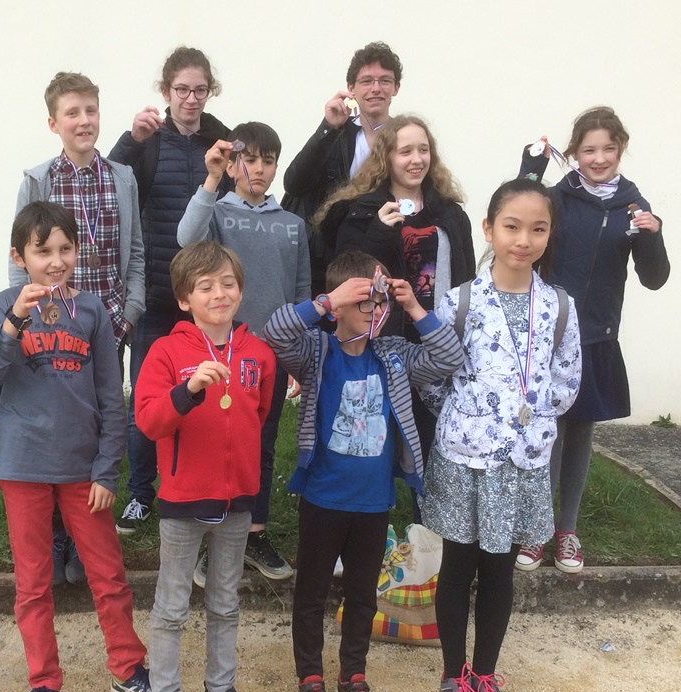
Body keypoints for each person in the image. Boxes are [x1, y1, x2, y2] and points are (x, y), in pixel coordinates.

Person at [263, 251, 463, 692]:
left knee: (362, 595)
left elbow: (449, 358)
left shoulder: (393, 355)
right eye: (364, 302)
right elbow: (275, 333)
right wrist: (325, 301)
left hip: (373, 503)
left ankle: (352, 675)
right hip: (322, 499)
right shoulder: (317, 351)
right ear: (340, 306)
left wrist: (414, 307)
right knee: (311, 593)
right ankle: (310, 676)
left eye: (380, 302)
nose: (376, 311)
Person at [0, 201, 149, 692]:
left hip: (82, 469)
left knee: (108, 573)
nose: (55, 261)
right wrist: (14, 321)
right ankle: (44, 683)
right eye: (42, 251)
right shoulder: (4, 305)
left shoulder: (92, 311)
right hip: (24, 465)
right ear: (19, 257)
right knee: (33, 583)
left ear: (78, 252)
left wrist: (106, 470)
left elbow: (111, 396)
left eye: (65, 249)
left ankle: (127, 668)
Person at [419, 178, 582, 692]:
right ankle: (453, 674)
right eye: (512, 226)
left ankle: (485, 673)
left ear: (549, 235)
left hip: (523, 462)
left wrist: (528, 419)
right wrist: (471, 419)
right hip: (467, 459)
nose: (523, 240)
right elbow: (434, 378)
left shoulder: (560, 307)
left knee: (500, 571)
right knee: (458, 566)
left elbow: (567, 381)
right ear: (489, 229)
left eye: (538, 229)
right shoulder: (459, 302)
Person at [516, 107, 670, 574]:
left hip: (596, 336)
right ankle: (535, 530)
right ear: (574, 153)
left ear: (621, 149)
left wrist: (653, 236)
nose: (599, 158)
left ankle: (567, 530)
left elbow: (654, 278)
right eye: (589, 150)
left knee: (580, 430)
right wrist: (531, 166)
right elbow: (517, 211)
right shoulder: (557, 197)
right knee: (547, 431)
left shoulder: (633, 205)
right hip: (548, 332)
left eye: (609, 148)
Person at [135, 241, 274, 692]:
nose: (219, 294)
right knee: (172, 605)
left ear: (241, 290)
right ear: (184, 300)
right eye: (205, 286)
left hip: (237, 499)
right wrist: (188, 391)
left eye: (228, 283)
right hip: (184, 498)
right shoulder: (166, 352)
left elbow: (259, 417)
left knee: (225, 602)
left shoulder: (258, 353)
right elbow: (149, 421)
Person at [13, 70, 146, 586]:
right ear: (54, 123)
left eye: (91, 110)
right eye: (72, 113)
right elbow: (20, 255)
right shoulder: (37, 180)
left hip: (107, 323)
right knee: (59, 423)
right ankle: (58, 533)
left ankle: (87, 525)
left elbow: (135, 253)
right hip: (52, 329)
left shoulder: (122, 178)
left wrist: (128, 313)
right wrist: (24, 318)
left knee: (100, 418)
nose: (84, 120)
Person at [317, 115, 475, 520]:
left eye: (423, 150)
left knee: (432, 438)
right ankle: (369, 522)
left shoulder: (450, 214)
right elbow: (347, 274)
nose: (416, 159)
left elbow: (466, 279)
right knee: (378, 436)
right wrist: (380, 232)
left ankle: (430, 526)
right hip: (382, 345)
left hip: (434, 340)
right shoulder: (359, 211)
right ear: (386, 157)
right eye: (405, 151)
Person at [177, 121, 310, 583]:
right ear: (234, 164)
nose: (258, 169)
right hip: (220, 354)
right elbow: (186, 240)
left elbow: (300, 293)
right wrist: (211, 179)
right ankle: (212, 537)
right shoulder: (216, 213)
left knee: (261, 444)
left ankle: (253, 532)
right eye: (248, 159)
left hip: (271, 357)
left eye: (267, 161)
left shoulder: (292, 225)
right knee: (218, 441)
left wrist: (298, 357)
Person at [109, 46, 231, 537]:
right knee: (148, 397)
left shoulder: (222, 139)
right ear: (166, 91)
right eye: (182, 89)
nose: (191, 98)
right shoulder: (149, 139)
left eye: (200, 90)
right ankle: (141, 493)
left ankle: (205, 488)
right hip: (159, 291)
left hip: (207, 297)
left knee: (209, 395)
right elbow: (109, 183)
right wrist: (131, 140)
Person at [281, 41, 403, 296]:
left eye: (385, 80)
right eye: (366, 81)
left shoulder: (406, 138)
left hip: (384, 255)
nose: (376, 88)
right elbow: (294, 183)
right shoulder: (336, 133)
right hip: (329, 261)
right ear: (351, 89)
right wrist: (327, 128)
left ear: (396, 88)